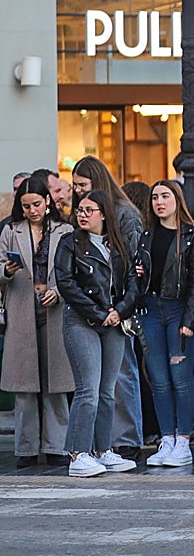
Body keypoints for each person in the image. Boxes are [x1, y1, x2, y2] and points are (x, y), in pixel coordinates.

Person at [54, 191, 141, 477]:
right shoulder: (69, 243)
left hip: (114, 321)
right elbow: (66, 284)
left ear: (103, 214)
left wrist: (119, 311)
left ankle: (104, 450)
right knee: (87, 390)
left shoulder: (117, 245)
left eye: (89, 210)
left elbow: (131, 282)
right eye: (79, 210)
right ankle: (78, 454)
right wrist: (99, 313)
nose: (82, 214)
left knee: (107, 390)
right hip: (83, 321)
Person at [69, 156, 145, 462]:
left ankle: (125, 437)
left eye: (83, 186)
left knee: (121, 373)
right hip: (95, 306)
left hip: (116, 304)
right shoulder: (85, 214)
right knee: (99, 381)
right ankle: (105, 444)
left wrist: (121, 306)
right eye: (75, 187)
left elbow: (132, 264)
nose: (77, 192)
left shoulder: (124, 213)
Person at [0, 177, 73, 467]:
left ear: (47, 202)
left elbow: (72, 270)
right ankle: (27, 448)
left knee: (56, 382)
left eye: (37, 204)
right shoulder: (10, 230)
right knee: (25, 385)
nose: (32, 210)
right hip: (21, 308)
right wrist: (6, 269)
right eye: (26, 206)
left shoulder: (64, 230)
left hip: (54, 309)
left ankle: (57, 445)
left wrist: (57, 292)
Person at [137, 180, 194, 468]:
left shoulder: (192, 235)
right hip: (151, 309)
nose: (159, 202)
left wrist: (189, 320)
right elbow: (138, 276)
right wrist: (140, 273)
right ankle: (166, 438)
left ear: (177, 200)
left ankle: (184, 439)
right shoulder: (146, 234)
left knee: (181, 378)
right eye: (155, 197)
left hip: (180, 309)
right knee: (159, 380)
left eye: (165, 196)